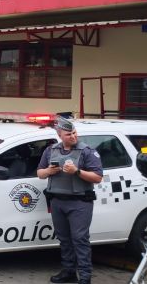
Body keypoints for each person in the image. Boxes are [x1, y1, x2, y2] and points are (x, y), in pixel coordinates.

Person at [36, 117, 103, 284]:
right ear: (59, 135)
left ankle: (85, 277)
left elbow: (97, 177)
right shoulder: (50, 150)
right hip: (57, 201)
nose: (73, 136)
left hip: (79, 202)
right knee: (64, 239)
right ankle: (69, 272)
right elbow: (40, 173)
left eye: (74, 133)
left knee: (80, 239)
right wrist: (49, 171)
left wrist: (76, 171)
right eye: (68, 134)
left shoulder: (87, 151)